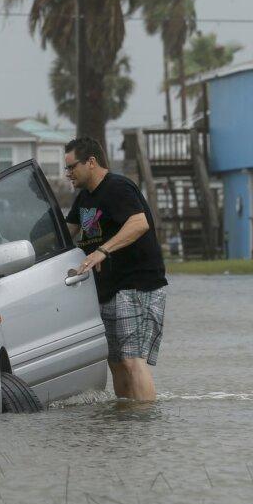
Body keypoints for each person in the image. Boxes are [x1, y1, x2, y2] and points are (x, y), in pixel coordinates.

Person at [63, 137, 167, 402]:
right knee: (116, 362)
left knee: (132, 360)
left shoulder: (118, 188)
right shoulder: (85, 197)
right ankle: (125, 424)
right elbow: (66, 233)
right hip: (108, 290)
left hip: (136, 286)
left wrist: (102, 250)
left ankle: (145, 424)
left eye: (72, 167)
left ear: (91, 162)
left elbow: (139, 223)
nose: (68, 174)